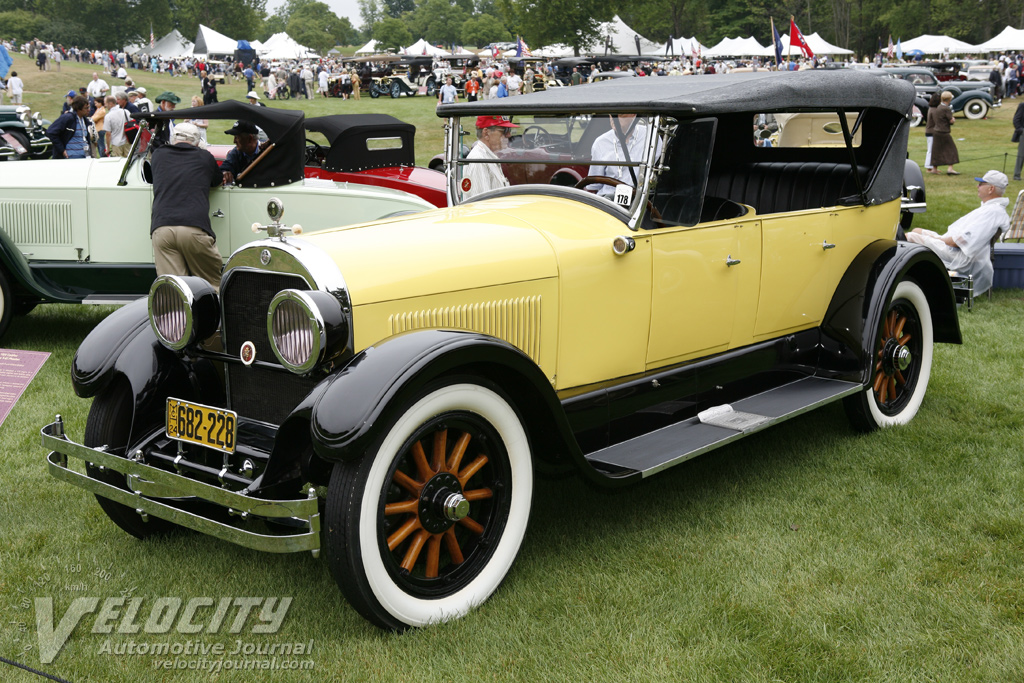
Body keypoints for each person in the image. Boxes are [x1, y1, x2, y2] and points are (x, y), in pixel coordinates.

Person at [906, 170, 1009, 295]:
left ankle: (908, 279)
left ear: (991, 189)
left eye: (981, 184)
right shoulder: (992, 209)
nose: (978, 186)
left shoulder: (991, 212)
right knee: (917, 230)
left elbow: (961, 242)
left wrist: (938, 239)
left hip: (960, 256)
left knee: (910, 236)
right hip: (956, 249)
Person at [149, 122, 225, 289]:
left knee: (175, 289)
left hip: (162, 228)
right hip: (194, 227)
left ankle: (177, 315)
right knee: (211, 285)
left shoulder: (158, 155)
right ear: (197, 141)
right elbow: (218, 181)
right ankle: (214, 314)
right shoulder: (204, 157)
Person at [586, 114, 658, 203]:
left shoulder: (651, 138)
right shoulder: (600, 143)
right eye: (611, 115)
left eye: (620, 115)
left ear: (633, 116)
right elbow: (594, 185)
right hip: (608, 201)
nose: (613, 119)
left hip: (641, 201)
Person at [461, 115, 517, 199]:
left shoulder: (488, 156)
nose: (509, 135)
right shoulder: (478, 160)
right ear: (486, 133)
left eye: (509, 130)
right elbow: (481, 204)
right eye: (505, 130)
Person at [220, 120, 269, 185]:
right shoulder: (235, 153)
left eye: (237, 137)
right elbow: (223, 169)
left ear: (250, 139)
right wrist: (224, 173)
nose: (234, 141)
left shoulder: (267, 152)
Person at [47, 94, 92, 159]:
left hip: (84, 156)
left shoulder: (85, 120)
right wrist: (62, 150)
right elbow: (51, 132)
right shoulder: (68, 118)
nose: (89, 110)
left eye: (89, 107)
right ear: (78, 108)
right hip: (71, 157)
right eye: (86, 108)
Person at [930, 91, 959, 175]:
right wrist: (953, 120)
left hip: (936, 131)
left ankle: (934, 168)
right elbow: (950, 120)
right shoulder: (946, 108)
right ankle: (950, 168)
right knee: (951, 149)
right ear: (949, 99)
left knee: (936, 151)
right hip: (944, 131)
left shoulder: (938, 107)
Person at [924, 92, 940, 173]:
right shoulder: (934, 110)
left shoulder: (931, 108)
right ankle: (929, 167)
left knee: (931, 149)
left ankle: (931, 167)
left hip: (929, 131)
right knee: (931, 150)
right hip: (932, 132)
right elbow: (937, 121)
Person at [1014, 99, 1024, 180]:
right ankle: (1017, 175)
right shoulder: (1022, 105)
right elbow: (1016, 119)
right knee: (1021, 155)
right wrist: (1021, 130)